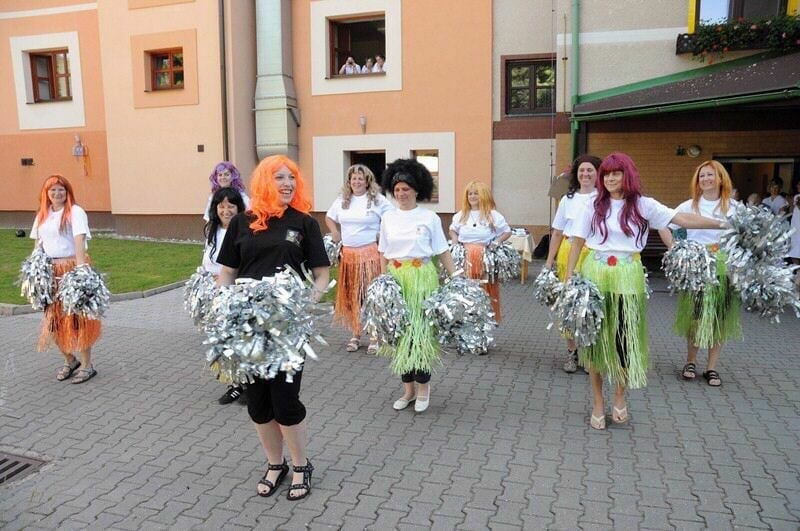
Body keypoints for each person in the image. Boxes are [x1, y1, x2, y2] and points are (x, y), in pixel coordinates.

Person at [566, 153, 726, 430]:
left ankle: (619, 397)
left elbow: (682, 219)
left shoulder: (643, 205)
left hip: (628, 277)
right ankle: (598, 403)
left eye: (616, 173)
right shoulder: (593, 204)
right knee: (594, 343)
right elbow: (578, 240)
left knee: (624, 341)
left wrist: (723, 224)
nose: (610, 178)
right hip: (595, 275)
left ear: (627, 175)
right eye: (606, 174)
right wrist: (570, 275)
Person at [216, 155, 330, 500]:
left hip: (287, 327)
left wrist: (304, 303)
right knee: (258, 402)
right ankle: (274, 464)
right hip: (248, 327)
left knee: (285, 401)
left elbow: (321, 274)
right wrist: (225, 308)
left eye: (292, 177)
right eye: (280, 177)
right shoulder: (242, 223)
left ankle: (301, 465)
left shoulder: (304, 223)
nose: (288, 183)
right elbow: (227, 272)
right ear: (265, 181)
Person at [378, 159, 456, 413]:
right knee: (400, 335)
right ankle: (408, 391)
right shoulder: (388, 217)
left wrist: (457, 277)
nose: (401, 193)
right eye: (397, 189)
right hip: (396, 279)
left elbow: (442, 250)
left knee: (420, 335)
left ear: (416, 190)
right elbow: (383, 252)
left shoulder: (429, 217)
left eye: (406, 189)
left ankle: (423, 388)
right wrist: (382, 283)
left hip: (422, 279)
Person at [671, 161, 741, 387]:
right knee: (695, 317)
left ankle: (711, 368)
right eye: (702, 176)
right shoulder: (688, 206)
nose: (706, 179)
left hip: (724, 268)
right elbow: (666, 225)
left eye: (710, 175)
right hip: (697, 268)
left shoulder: (734, 208)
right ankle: (690, 362)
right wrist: (676, 250)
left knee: (719, 318)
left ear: (720, 178)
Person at [31, 175, 100, 384]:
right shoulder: (43, 214)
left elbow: (79, 239)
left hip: (71, 268)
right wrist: (36, 270)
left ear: (67, 192)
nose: (57, 193)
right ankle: (70, 360)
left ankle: (87, 365)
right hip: (49, 272)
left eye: (61, 189)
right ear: (46, 193)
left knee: (78, 320)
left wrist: (80, 270)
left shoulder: (75, 212)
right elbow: (38, 244)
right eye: (52, 190)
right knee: (53, 322)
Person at [325, 164, 393, 354]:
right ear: (349, 181)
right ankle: (355, 333)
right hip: (349, 256)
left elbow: (391, 218)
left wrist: (382, 233)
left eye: (360, 178)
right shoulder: (343, 199)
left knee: (370, 295)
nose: (356, 181)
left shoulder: (377, 200)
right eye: (353, 178)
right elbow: (329, 217)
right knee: (353, 296)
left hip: (370, 254)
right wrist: (334, 231)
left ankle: (374, 335)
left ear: (367, 181)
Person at [543, 155, 601, 373]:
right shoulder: (568, 199)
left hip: (592, 255)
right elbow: (557, 232)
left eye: (590, 170)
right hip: (568, 253)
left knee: (590, 305)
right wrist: (548, 262)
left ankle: (589, 353)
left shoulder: (603, 200)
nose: (585, 174)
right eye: (582, 170)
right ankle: (572, 352)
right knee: (568, 305)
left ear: (598, 173)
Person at [202, 187, 247, 404]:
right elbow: (207, 261)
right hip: (216, 292)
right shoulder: (212, 230)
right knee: (224, 342)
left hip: (236, 292)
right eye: (221, 206)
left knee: (242, 340)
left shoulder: (244, 230)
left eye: (231, 206)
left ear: (239, 208)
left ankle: (247, 385)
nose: (226, 211)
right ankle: (234, 384)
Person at [448, 180, 511, 326]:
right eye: (470, 194)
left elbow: (506, 231)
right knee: (466, 291)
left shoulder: (493, 215)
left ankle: (483, 324)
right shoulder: (461, 215)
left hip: (484, 259)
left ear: (483, 195)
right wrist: (454, 240)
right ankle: (466, 323)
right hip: (465, 259)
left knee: (483, 290)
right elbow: (453, 230)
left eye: (476, 193)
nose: (472, 196)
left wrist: (496, 242)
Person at [789, 180, 800, 267]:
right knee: (793, 251)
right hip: (795, 225)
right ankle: (797, 269)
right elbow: (792, 210)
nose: (798, 186)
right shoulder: (797, 196)